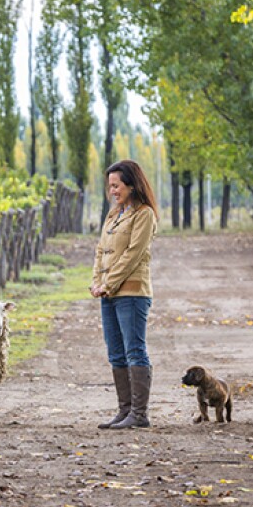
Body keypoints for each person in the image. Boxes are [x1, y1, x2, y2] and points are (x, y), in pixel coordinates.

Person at [91, 159, 159, 429]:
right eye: (110, 186)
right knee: (116, 353)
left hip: (132, 293)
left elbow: (133, 255)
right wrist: (98, 282)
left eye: (116, 185)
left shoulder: (144, 214)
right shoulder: (114, 214)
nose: (113, 191)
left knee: (134, 350)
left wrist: (109, 283)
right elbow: (100, 250)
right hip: (108, 294)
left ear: (131, 184)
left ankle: (140, 414)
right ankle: (125, 411)